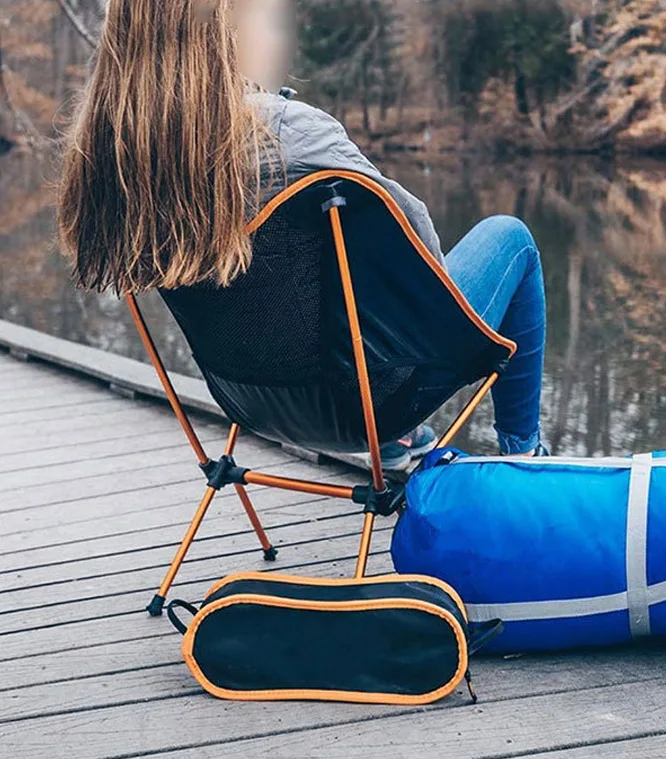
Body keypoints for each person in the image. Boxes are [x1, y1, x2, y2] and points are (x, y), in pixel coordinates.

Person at [59, 0, 547, 468]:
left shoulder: (115, 152)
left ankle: (400, 441)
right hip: (369, 405)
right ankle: (522, 456)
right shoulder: (288, 129)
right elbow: (418, 255)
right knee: (511, 237)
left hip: (245, 400)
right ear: (226, 28)